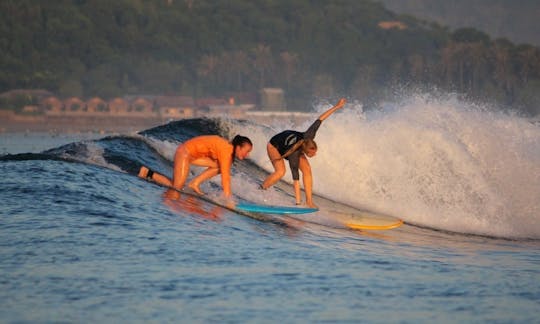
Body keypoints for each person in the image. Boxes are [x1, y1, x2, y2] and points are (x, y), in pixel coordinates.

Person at [261, 98, 346, 208]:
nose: (314, 155)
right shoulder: (294, 155)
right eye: (312, 153)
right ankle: (262, 189)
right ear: (305, 151)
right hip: (274, 145)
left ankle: (309, 202)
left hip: (292, 142)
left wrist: (337, 106)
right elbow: (296, 179)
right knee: (280, 171)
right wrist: (297, 203)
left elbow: (320, 119)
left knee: (307, 170)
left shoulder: (309, 136)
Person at [138, 134, 253, 199]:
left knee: (219, 166)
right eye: (246, 151)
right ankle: (147, 173)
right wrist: (228, 199)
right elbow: (226, 178)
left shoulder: (229, 153)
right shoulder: (226, 150)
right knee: (176, 188)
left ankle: (194, 183)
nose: (247, 155)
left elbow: (223, 170)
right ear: (238, 147)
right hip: (185, 153)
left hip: (194, 156)